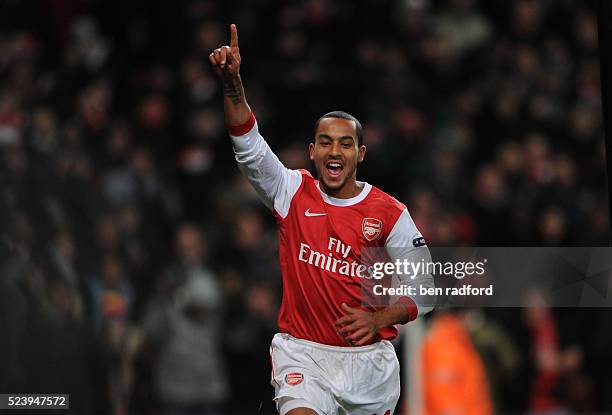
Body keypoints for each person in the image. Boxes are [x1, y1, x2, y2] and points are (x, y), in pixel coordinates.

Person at [209, 24, 434, 415]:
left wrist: (382, 315)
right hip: (304, 356)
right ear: (312, 152)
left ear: (360, 154)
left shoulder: (389, 213)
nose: (335, 151)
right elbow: (248, 147)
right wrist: (233, 86)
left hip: (370, 368)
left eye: (345, 143)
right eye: (326, 142)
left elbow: (427, 286)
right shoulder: (292, 192)